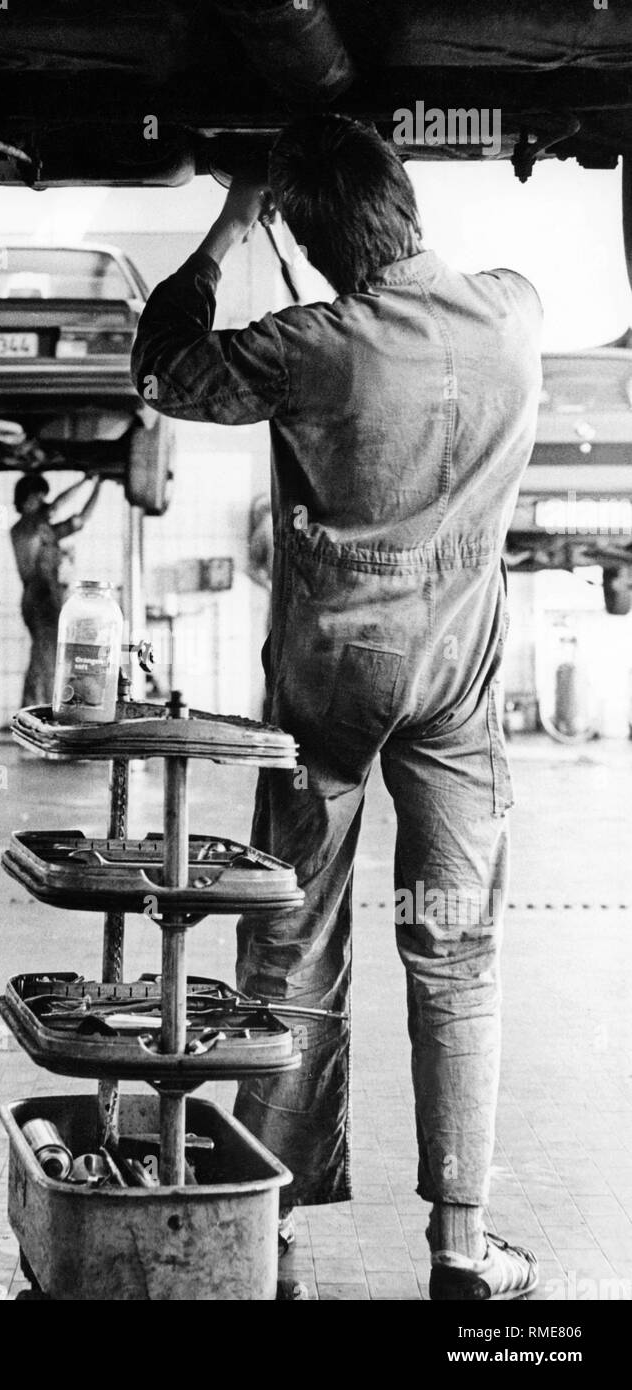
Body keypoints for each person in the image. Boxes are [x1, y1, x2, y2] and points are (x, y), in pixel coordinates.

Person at [131, 115, 543, 1302]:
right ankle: (461, 1248)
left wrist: (230, 217)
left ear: (310, 245)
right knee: (454, 948)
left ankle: (271, 1230)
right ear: (405, 199)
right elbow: (469, 280)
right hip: (454, 687)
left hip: (329, 688)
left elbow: (162, 365)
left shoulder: (311, 343)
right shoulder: (514, 312)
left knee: (294, 937)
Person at [11, 472, 103, 707]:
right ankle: (44, 710)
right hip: (38, 598)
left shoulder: (44, 532)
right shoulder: (24, 528)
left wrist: (98, 486)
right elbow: (57, 505)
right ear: (25, 501)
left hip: (47, 598)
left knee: (44, 659)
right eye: (38, 498)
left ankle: (33, 709)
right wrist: (86, 480)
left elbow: (81, 520)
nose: (43, 503)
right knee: (48, 661)